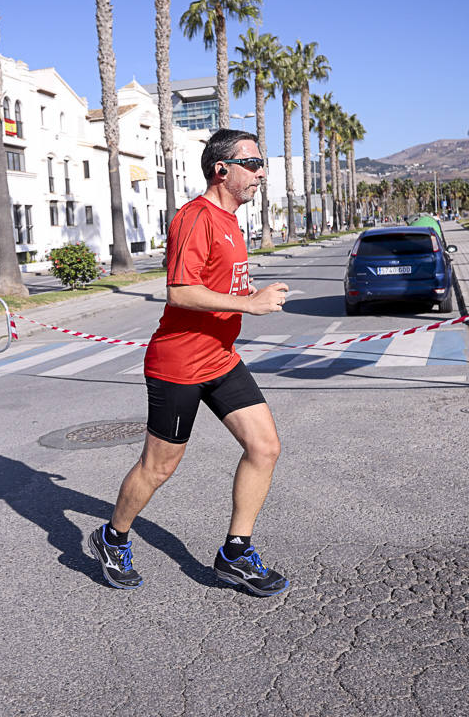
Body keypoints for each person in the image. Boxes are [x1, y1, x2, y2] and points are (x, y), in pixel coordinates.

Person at [88, 128, 292, 597]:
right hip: (177, 364)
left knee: (265, 447)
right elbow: (179, 291)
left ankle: (235, 554)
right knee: (158, 468)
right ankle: (112, 537)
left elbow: (216, 286)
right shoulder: (194, 218)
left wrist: (246, 295)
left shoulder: (231, 220)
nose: (262, 172)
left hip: (220, 360)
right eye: (253, 163)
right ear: (222, 170)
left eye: (262, 164)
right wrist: (250, 305)